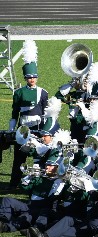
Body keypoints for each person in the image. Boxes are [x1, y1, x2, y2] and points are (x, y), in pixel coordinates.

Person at [8, 40, 48, 190]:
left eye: (34, 76)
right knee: (19, 158)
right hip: (23, 129)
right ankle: (14, 184)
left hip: (38, 129)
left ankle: (37, 185)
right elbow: (14, 111)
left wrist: (45, 132)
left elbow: (45, 112)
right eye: (29, 77)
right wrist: (12, 129)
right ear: (25, 78)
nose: (32, 79)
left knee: (38, 157)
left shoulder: (43, 92)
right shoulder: (18, 92)